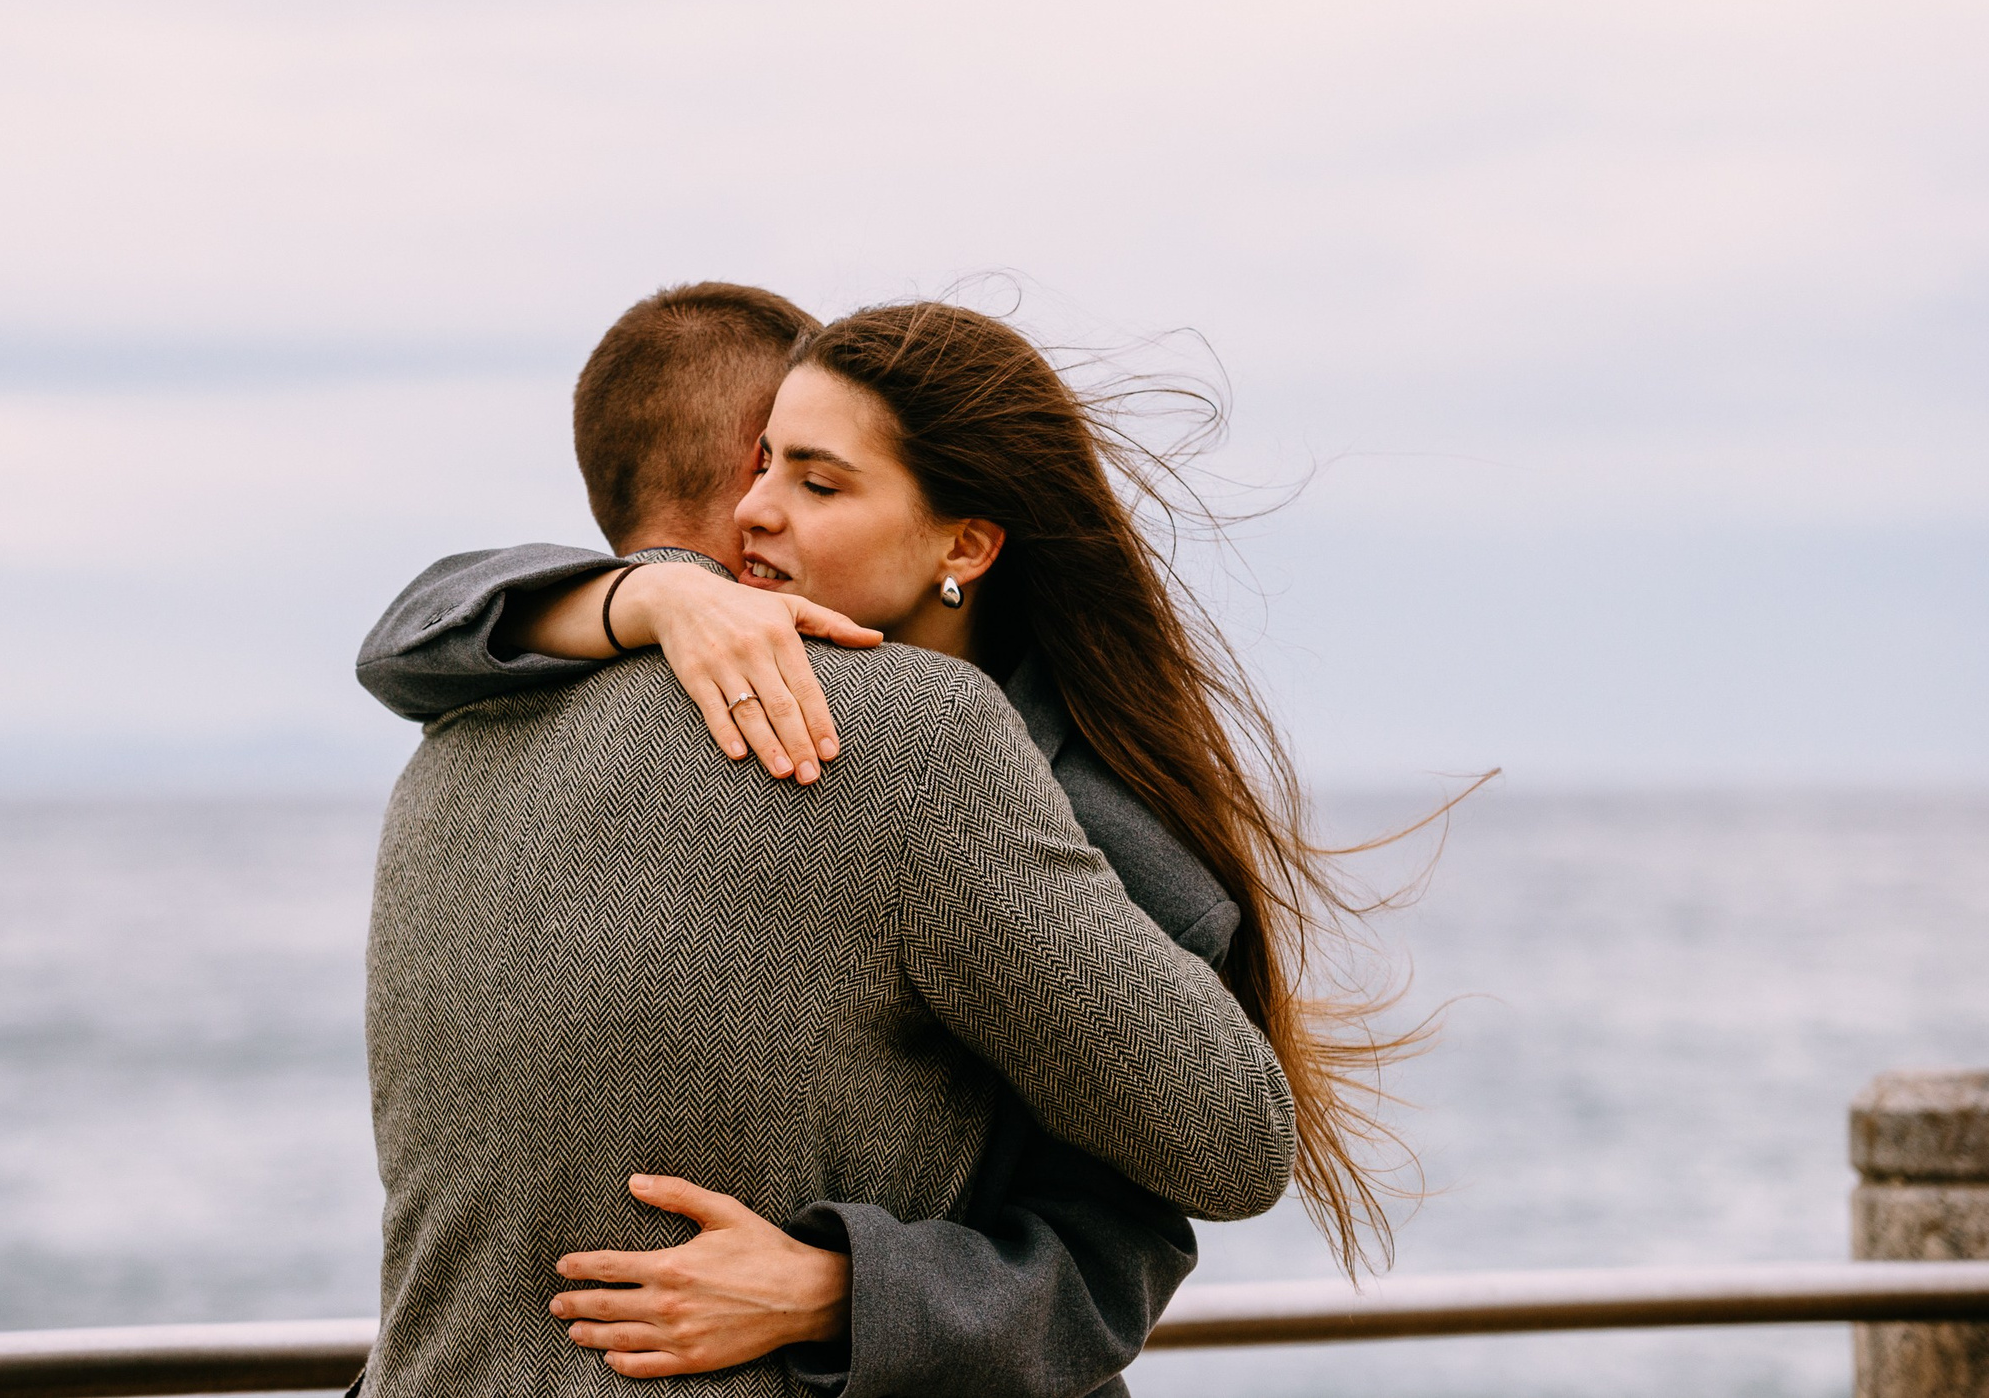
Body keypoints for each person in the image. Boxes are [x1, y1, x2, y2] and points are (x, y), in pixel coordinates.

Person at [358, 287, 1406, 1395]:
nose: (758, 509)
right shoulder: (900, 741)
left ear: (964, 542)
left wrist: (841, 1288)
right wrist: (650, 596)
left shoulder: (457, 738)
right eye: (761, 465)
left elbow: (1176, 1181)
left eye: (814, 478)